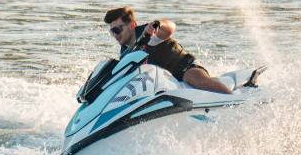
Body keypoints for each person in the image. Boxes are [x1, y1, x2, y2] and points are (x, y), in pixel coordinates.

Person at [103, 6, 262, 93]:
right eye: (111, 31)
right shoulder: (125, 51)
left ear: (131, 25)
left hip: (183, 69)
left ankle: (233, 101)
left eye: (117, 30)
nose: (114, 35)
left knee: (196, 80)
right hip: (162, 84)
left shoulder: (148, 32)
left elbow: (170, 28)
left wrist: (158, 24)